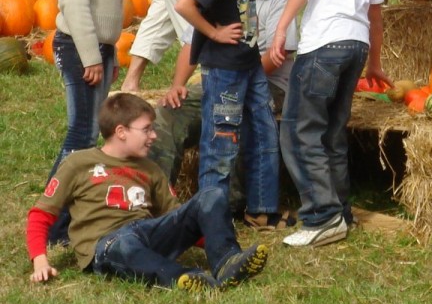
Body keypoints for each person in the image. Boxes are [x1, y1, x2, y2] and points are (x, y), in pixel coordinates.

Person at [27, 92, 269, 292]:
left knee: (212, 194)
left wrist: (215, 237)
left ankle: (227, 262)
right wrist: (40, 261)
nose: (154, 136)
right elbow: (41, 214)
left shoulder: (151, 169)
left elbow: (182, 218)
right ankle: (183, 278)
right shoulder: (79, 163)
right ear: (121, 132)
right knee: (124, 244)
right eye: (146, 129)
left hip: (147, 234)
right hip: (107, 245)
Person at [269, 0, 391, 248]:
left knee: (298, 131)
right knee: (332, 132)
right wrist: (375, 62)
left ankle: (322, 216)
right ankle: (341, 210)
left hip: (324, 43)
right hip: (356, 45)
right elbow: (375, 15)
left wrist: (281, 27)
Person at [151, 0, 298, 197]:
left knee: (231, 115)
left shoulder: (280, 2)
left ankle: (230, 202)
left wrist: (239, 79)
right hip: (222, 79)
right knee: (169, 111)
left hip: (267, 84)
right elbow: (191, 44)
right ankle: (159, 194)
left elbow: (276, 58)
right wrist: (178, 85)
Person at [172, 0, 281, 228]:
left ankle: (261, 210)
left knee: (264, 131)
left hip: (248, 65)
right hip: (225, 72)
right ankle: (211, 218)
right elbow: (184, 4)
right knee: (222, 141)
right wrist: (214, 33)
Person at [44, 0, 126, 243]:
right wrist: (91, 55)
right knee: (81, 133)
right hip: (80, 49)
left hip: (99, 49)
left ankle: (69, 222)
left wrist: (107, 53)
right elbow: (74, 1)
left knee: (90, 134)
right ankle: (50, 225)